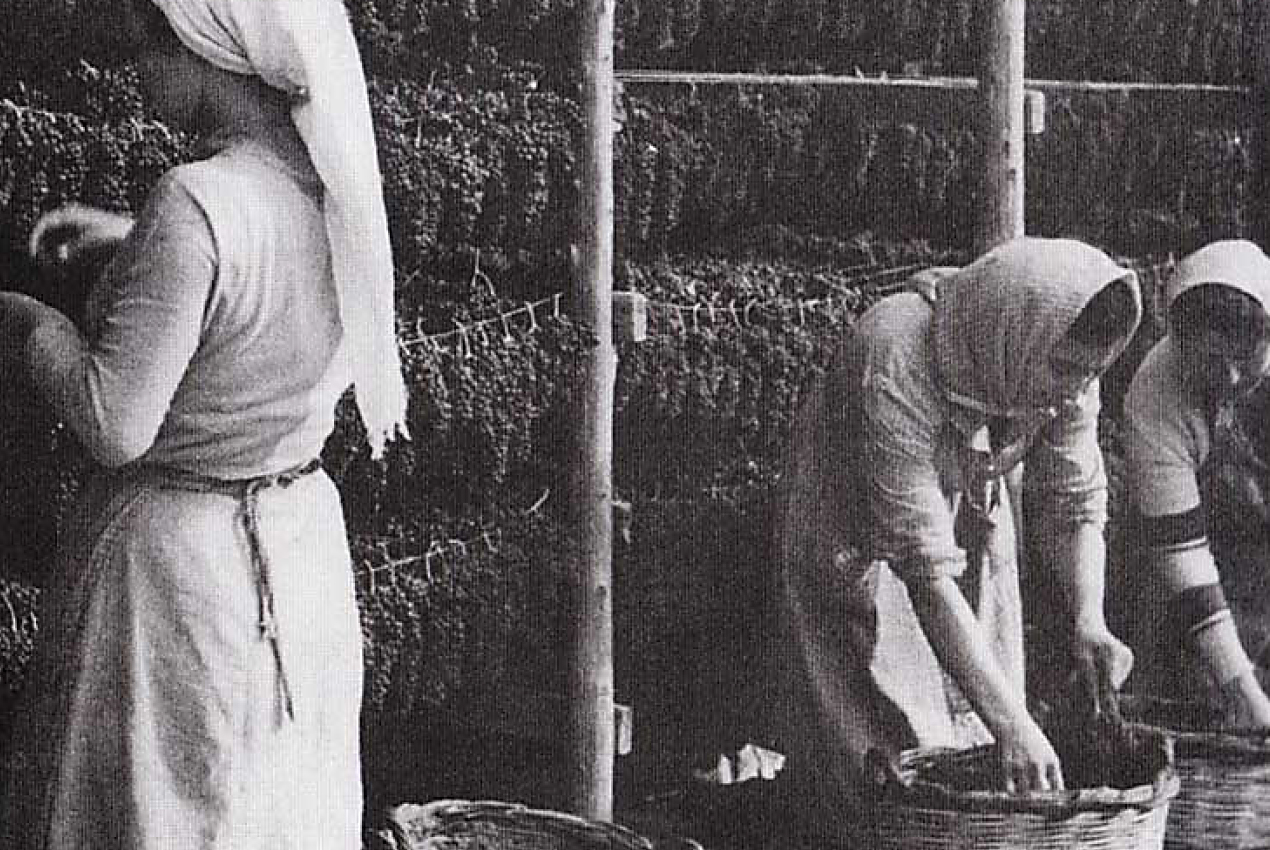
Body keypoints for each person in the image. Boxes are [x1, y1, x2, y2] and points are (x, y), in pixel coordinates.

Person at [0, 0, 408, 846]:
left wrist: (31, 325)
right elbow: (260, 261)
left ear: (207, 47)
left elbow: (116, 422)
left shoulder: (197, 202)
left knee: (167, 812)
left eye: (150, 42)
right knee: (259, 812)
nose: (137, 66)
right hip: (294, 555)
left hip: (181, 582)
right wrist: (140, 241)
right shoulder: (333, 186)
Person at [769, 237, 1143, 827]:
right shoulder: (895, 354)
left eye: (1089, 373)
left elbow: (1077, 501)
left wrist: (1088, 616)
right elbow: (925, 573)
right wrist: (1016, 725)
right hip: (855, 540)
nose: (1075, 389)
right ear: (1018, 334)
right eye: (1066, 371)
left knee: (978, 736)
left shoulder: (1058, 352)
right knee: (878, 744)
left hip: (963, 521)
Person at [1119, 239, 1270, 730]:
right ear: (1180, 344)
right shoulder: (1156, 390)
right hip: (1193, 553)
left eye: (1246, 360)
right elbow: (1180, 552)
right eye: (1210, 361)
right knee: (1205, 702)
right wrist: (1241, 685)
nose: (1229, 378)